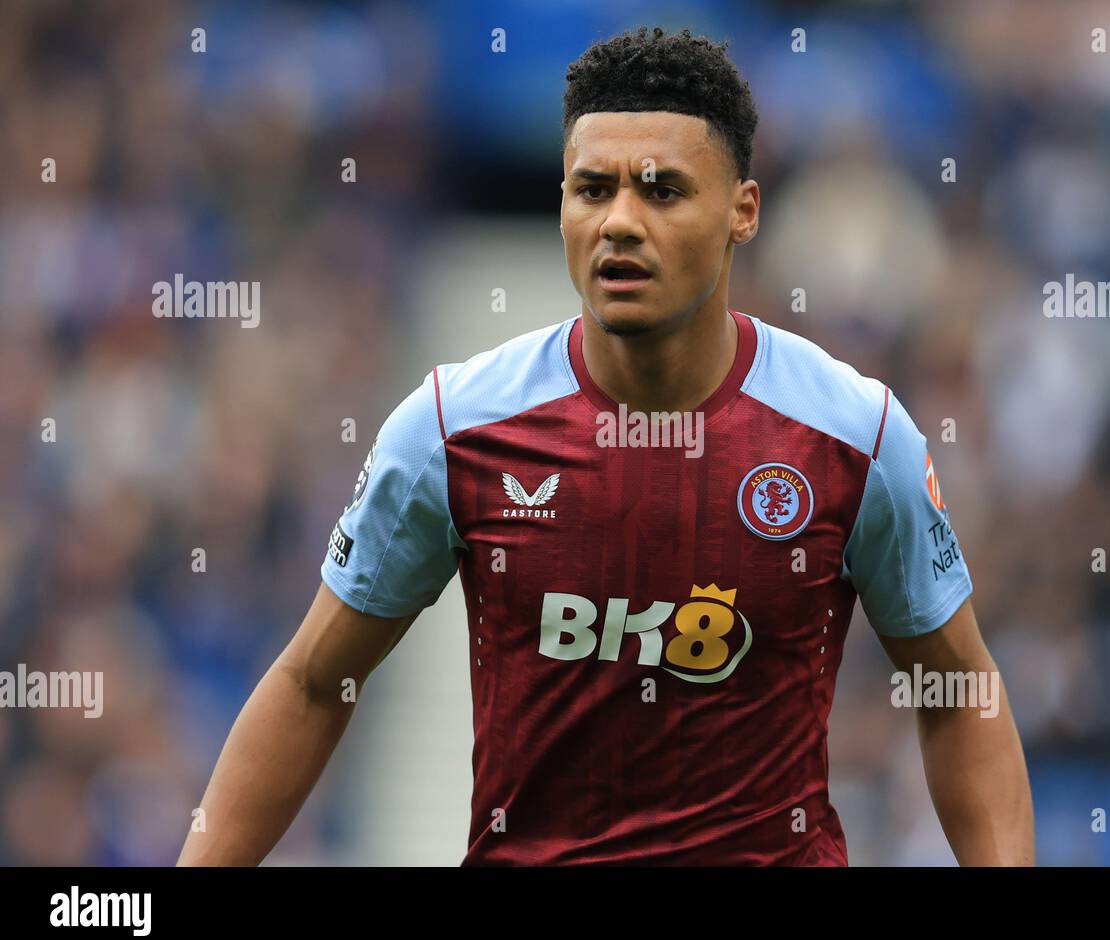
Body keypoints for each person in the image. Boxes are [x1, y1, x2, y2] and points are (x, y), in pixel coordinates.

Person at [178, 25, 1033, 866]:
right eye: (592, 189)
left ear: (743, 210)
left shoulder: (854, 434)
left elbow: (958, 692)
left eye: (661, 191)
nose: (619, 222)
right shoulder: (453, 430)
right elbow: (312, 681)